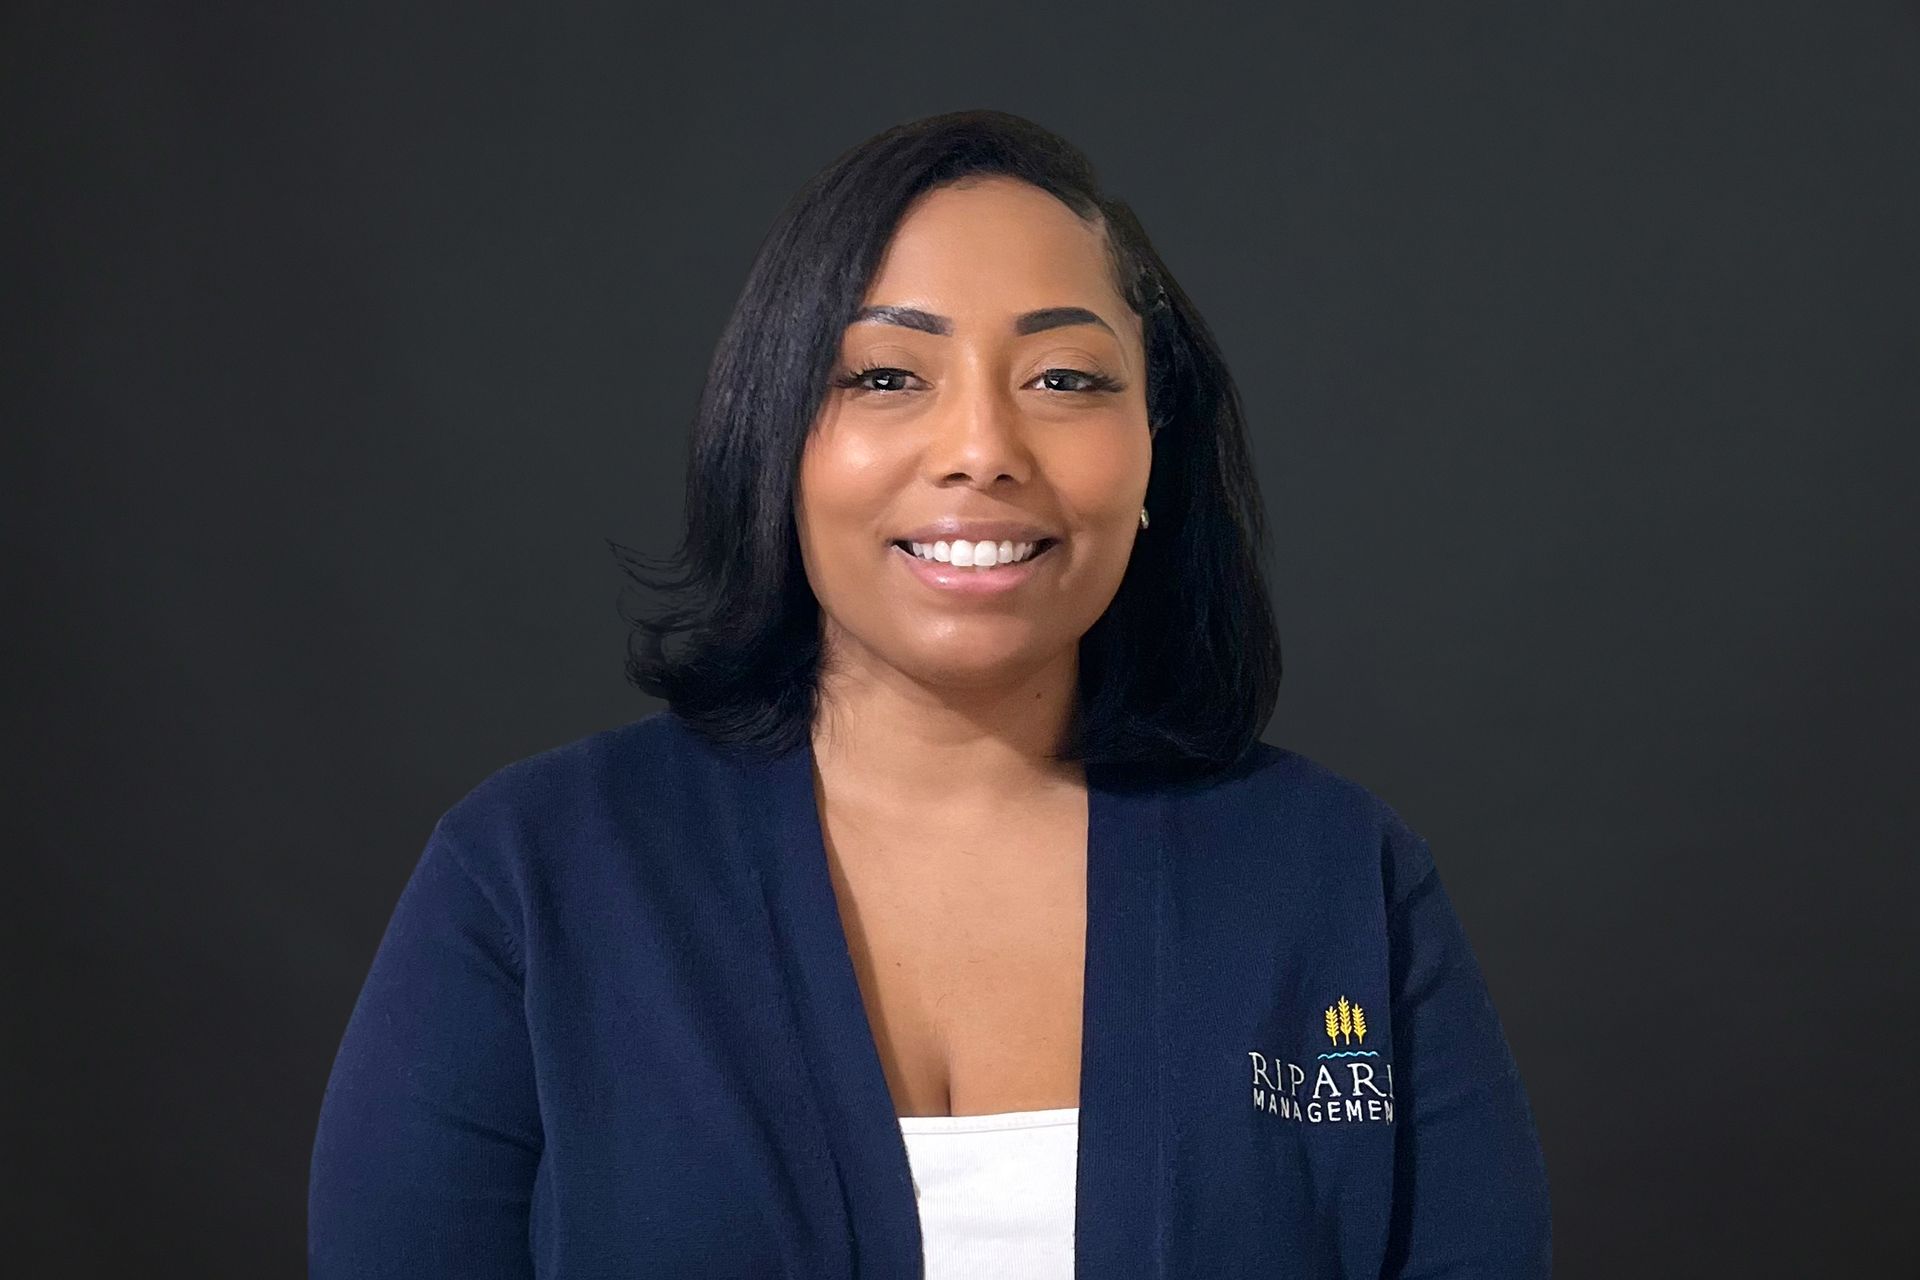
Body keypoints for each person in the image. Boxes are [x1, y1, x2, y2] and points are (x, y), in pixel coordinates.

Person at [308, 108, 1551, 1278]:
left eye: (1065, 378)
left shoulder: (1338, 876)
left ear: (1155, 446)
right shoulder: (532, 877)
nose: (983, 447)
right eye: (887, 377)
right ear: (777, 443)